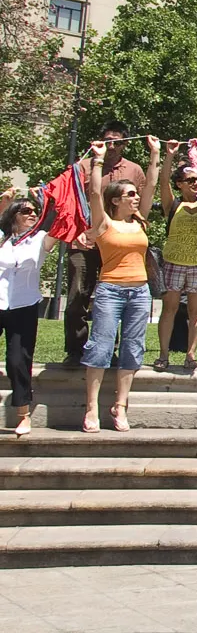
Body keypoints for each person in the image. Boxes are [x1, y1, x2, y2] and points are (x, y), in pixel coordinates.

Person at [81, 136, 161, 433]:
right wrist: (99, 159)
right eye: (129, 194)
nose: (135, 197)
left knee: (133, 347)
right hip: (110, 291)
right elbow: (93, 191)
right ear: (116, 200)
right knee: (100, 347)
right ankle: (91, 408)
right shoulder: (104, 223)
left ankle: (120, 405)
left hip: (140, 291)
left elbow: (150, 186)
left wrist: (155, 155)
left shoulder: (139, 222)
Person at [63, 121, 148, 367]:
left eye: (118, 141)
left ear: (125, 144)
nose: (112, 146)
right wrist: (76, 231)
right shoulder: (82, 166)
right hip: (86, 240)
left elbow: (140, 204)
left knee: (116, 297)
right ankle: (75, 350)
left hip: (118, 242)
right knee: (78, 294)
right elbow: (71, 202)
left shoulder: (134, 170)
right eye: (108, 140)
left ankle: (109, 350)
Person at [1, 190, 57, 436]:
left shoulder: (40, 239)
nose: (32, 214)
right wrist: (3, 201)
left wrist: (50, 202)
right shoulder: (2, 238)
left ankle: (22, 414)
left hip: (24, 305)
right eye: (26, 210)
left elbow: (59, 228)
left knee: (17, 360)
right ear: (13, 215)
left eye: (35, 210)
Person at [153, 142, 197, 371]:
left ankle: (191, 354)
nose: (196, 183)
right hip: (173, 264)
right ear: (180, 184)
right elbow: (163, 180)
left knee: (195, 312)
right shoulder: (173, 205)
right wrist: (169, 155)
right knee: (169, 309)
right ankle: (163, 354)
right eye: (190, 180)